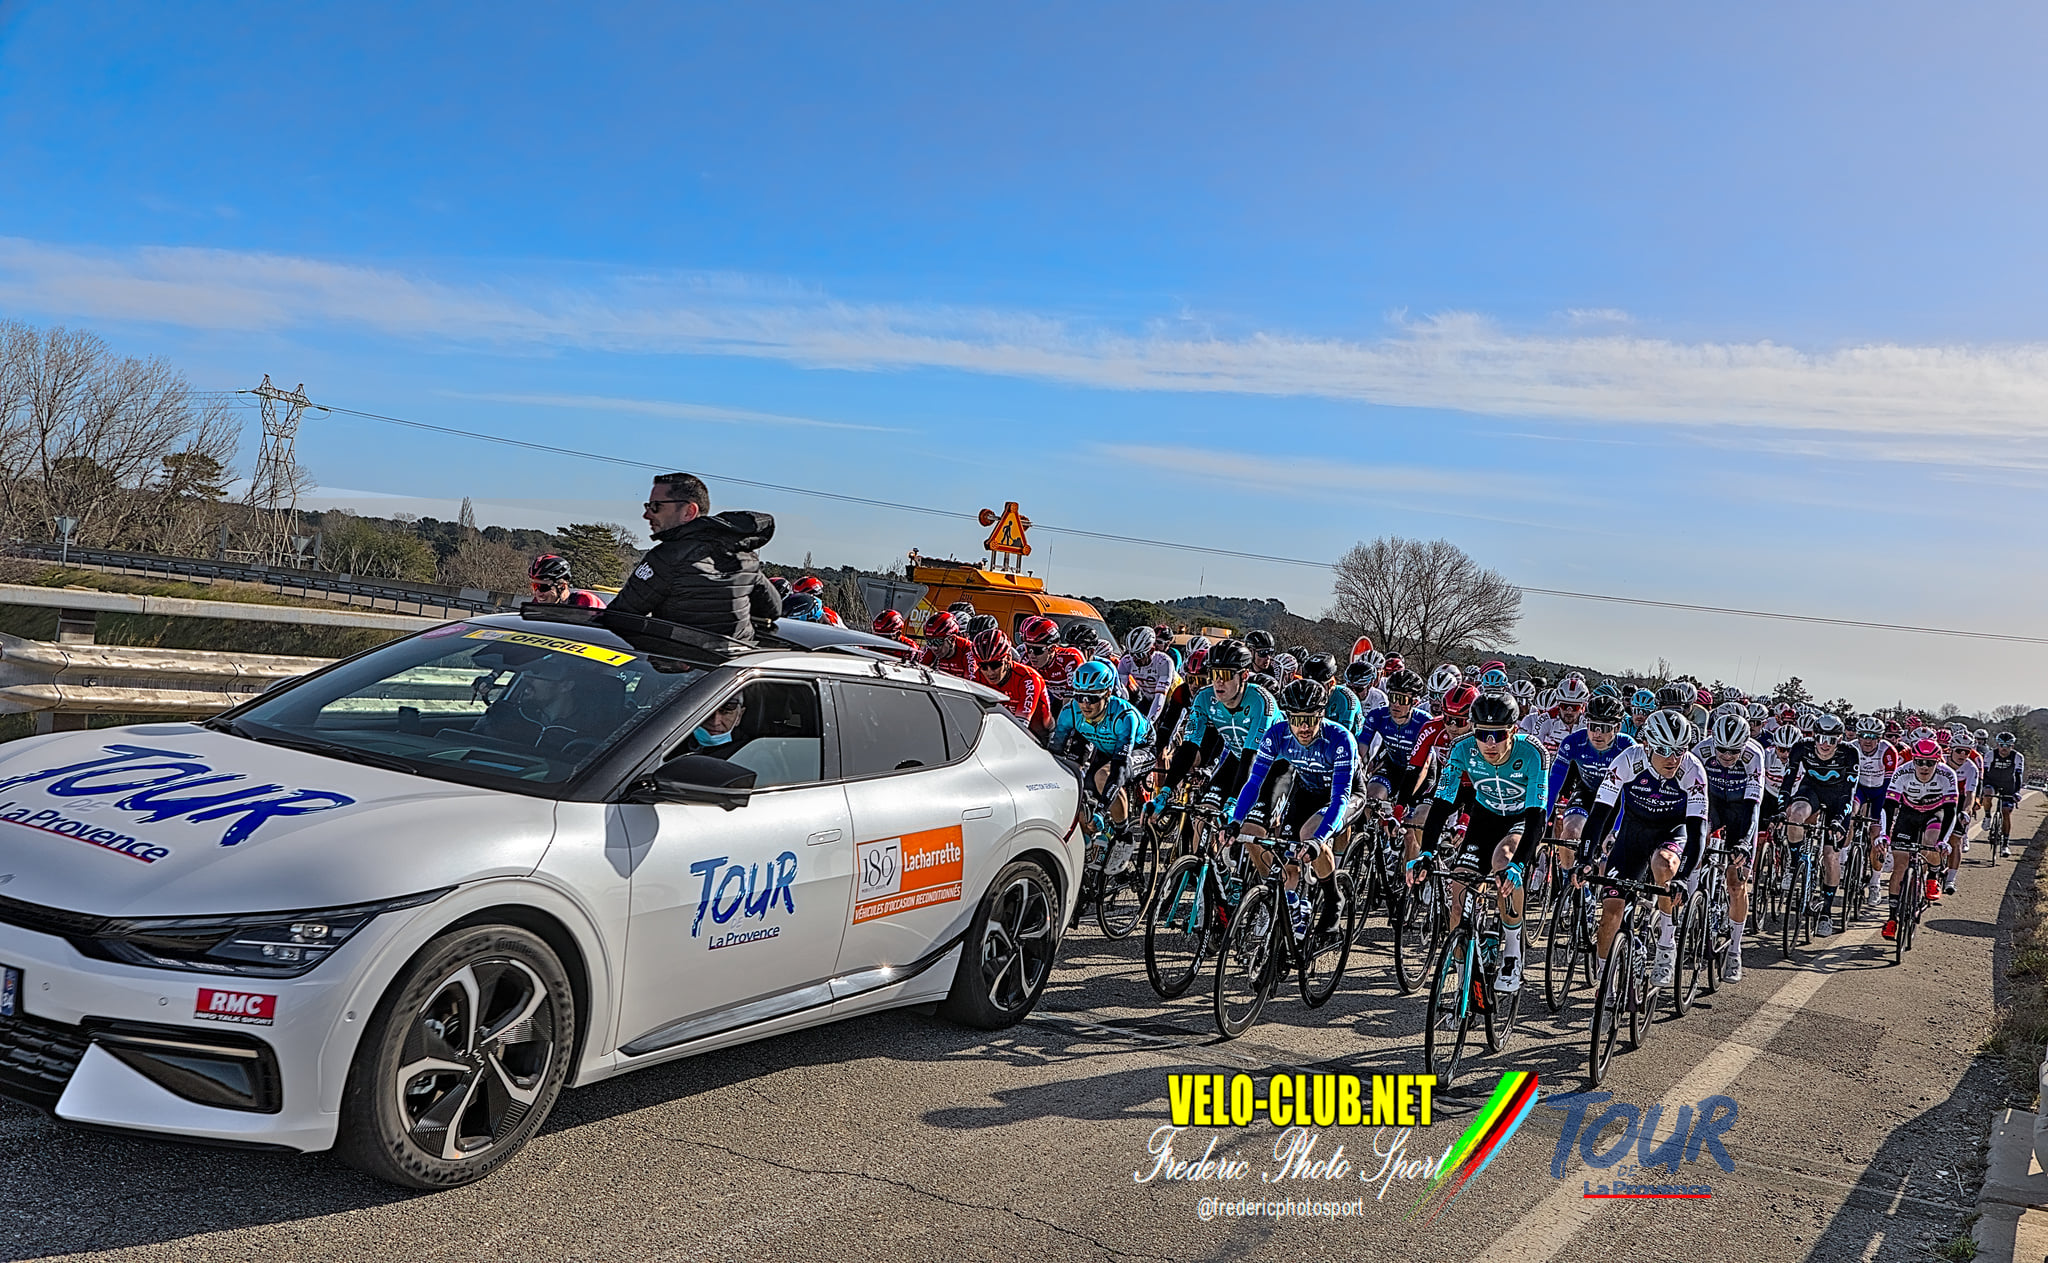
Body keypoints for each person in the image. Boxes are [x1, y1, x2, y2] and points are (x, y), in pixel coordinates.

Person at [1412, 691, 1550, 993]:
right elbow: (1442, 804)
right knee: (1459, 892)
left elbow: (1538, 817)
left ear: (1513, 730)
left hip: (1520, 819)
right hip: (1484, 817)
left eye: (1498, 735)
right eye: (1482, 734)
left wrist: (1519, 864)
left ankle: (1513, 952)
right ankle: (1464, 982)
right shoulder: (1461, 749)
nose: (1489, 743)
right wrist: (1425, 852)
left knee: (1503, 863)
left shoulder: (1533, 753)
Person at [609, 472, 780, 643]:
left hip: (678, 665)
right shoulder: (746, 556)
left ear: (689, 512)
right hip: (738, 662)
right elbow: (773, 610)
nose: (647, 515)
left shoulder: (666, 557)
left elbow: (618, 618)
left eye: (655, 506)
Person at [974, 629, 1053, 740]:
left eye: (995, 665)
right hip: (1001, 729)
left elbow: (1020, 727)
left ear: (1008, 659)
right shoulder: (977, 676)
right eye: (983, 666)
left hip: (1037, 734)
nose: (990, 672)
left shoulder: (1028, 678)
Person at [676, 692, 748, 758]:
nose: (715, 722)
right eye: (707, 713)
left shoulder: (746, 754)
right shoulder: (671, 742)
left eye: (725, 712)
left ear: (739, 716)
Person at [527, 554, 602, 608]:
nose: (538, 593)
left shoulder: (584, 601)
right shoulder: (537, 602)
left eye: (543, 587)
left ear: (563, 586)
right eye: (535, 586)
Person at [919, 611, 978, 680]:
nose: (933, 647)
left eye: (938, 642)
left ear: (952, 639)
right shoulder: (930, 648)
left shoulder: (968, 649)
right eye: (929, 641)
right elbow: (918, 670)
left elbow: (972, 682)